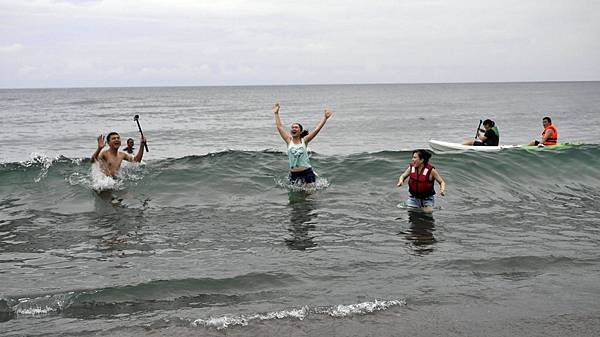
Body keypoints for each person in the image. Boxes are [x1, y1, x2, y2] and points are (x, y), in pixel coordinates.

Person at [273, 102, 333, 186]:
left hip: (307, 172)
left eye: (296, 127)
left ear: (300, 131)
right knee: (295, 198)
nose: (293, 128)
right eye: (292, 127)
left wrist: (325, 118)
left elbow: (316, 129)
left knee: (309, 197)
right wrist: (276, 113)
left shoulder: (304, 141)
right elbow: (279, 127)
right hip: (294, 174)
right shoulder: (288, 141)